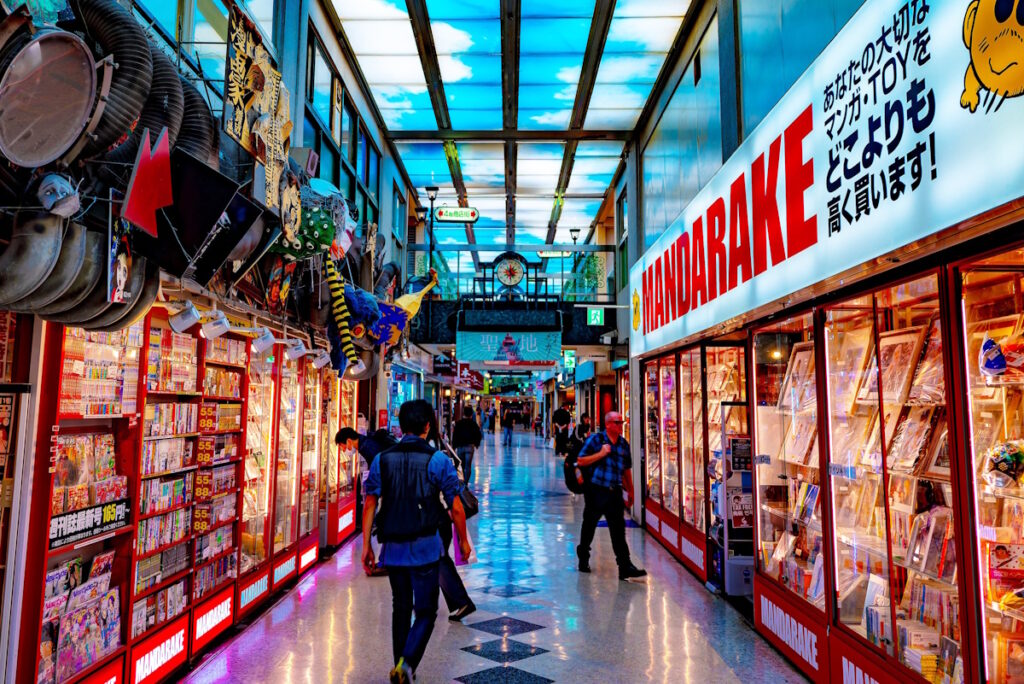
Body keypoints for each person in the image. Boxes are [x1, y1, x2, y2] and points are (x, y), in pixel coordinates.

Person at [362, 400, 471, 684]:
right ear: (427, 426)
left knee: (400, 607)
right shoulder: (438, 460)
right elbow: (456, 507)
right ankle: (407, 664)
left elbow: (370, 503)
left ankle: (401, 664)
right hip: (426, 548)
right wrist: (463, 541)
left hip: (393, 549)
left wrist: (366, 546)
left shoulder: (381, 459)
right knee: (425, 611)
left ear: (400, 427)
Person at [575, 411, 647, 581]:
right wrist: (600, 454)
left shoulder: (623, 444)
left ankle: (625, 566)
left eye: (621, 423)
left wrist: (631, 490)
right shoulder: (596, 440)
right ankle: (583, 556)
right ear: (608, 424)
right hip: (596, 490)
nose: (620, 425)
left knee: (618, 530)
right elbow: (580, 460)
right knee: (589, 525)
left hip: (615, 492)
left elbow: (626, 469)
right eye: (617, 422)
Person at [337, 427, 397, 576]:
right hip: (392, 488)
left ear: (349, 441)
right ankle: (385, 561)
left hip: (392, 490)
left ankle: (386, 562)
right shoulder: (366, 442)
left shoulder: (367, 447)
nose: (344, 450)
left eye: (343, 447)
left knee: (387, 522)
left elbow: (380, 471)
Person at [452, 405, 483, 484]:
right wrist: (476, 444)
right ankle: (466, 483)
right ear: (471, 414)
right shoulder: (473, 424)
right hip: (470, 446)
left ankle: (461, 482)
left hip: (460, 446)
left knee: (461, 466)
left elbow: (455, 435)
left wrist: (454, 446)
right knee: (468, 466)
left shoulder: (459, 423)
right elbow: (478, 435)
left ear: (463, 413)